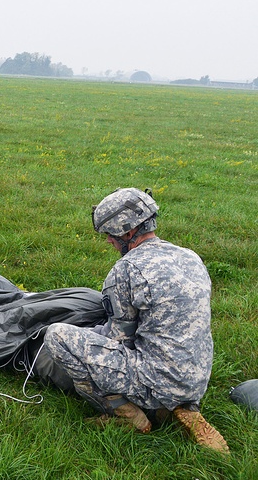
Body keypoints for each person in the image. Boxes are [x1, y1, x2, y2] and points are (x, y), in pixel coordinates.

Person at [36, 188, 229, 453]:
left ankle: (126, 415)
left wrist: (88, 335)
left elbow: (120, 340)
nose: (108, 242)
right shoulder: (190, 257)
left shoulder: (126, 270)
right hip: (196, 378)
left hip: (157, 376)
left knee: (57, 336)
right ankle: (175, 408)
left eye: (110, 236)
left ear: (127, 233)